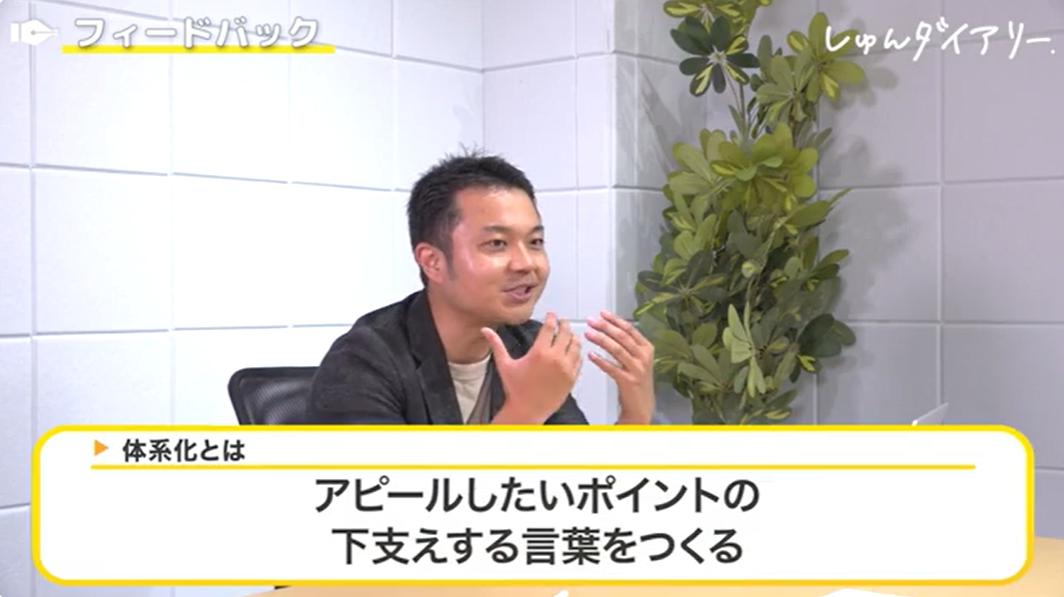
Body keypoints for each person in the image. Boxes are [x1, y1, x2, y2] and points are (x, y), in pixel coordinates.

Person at [307, 150, 656, 425]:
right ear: (432, 261)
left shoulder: (528, 345)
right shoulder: (365, 360)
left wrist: (635, 414)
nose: (526, 263)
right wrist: (526, 411)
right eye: (497, 244)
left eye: (535, 242)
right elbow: (385, 491)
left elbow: (577, 479)